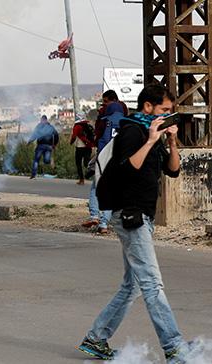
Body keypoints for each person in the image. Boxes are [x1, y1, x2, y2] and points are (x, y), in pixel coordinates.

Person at [77, 84, 194, 363]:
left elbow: (173, 171)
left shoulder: (152, 133)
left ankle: (96, 339)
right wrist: (151, 140)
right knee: (153, 285)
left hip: (143, 217)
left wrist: (171, 140)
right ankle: (175, 347)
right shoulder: (132, 130)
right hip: (130, 216)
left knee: (133, 286)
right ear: (148, 107)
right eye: (165, 110)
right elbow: (128, 169)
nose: (168, 115)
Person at [84, 95, 128, 234]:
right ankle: (104, 225)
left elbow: (98, 139)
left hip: (103, 159)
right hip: (120, 161)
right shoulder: (127, 123)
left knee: (95, 188)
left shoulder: (105, 121)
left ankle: (94, 216)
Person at [70, 113, 95, 185]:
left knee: (78, 164)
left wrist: (71, 142)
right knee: (86, 163)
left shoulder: (77, 126)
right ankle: (94, 172)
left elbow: (74, 136)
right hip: (88, 147)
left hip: (80, 148)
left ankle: (81, 180)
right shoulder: (87, 125)